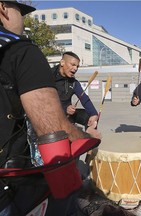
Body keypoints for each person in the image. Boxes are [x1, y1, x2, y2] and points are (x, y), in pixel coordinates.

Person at [0, 1, 101, 215]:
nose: (23, 20)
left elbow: (85, 99)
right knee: (68, 192)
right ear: (2, 8)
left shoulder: (73, 83)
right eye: (21, 12)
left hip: (59, 119)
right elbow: (51, 127)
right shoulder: (21, 52)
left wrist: (92, 115)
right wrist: (87, 138)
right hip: (11, 182)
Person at [52, 51, 98, 129]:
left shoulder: (74, 82)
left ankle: (90, 139)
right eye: (73, 65)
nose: (75, 68)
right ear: (62, 62)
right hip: (50, 116)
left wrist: (94, 114)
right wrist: (64, 109)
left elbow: (84, 98)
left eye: (77, 66)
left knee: (91, 118)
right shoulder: (48, 77)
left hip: (69, 115)